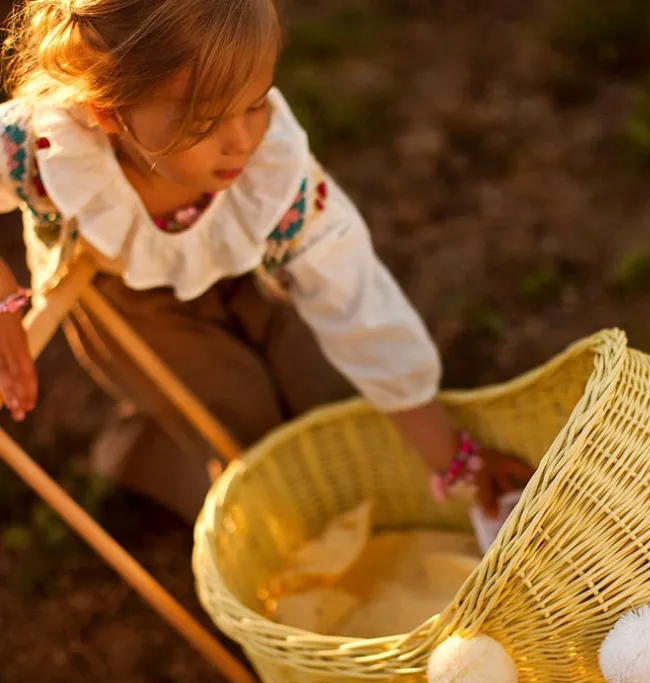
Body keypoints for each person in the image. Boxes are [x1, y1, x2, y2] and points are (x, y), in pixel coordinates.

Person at [0, 0, 532, 526]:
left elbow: (357, 305)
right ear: (108, 112)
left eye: (255, 103)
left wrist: (452, 456)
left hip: (251, 272)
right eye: (206, 122)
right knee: (234, 419)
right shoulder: (45, 144)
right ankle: (163, 469)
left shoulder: (275, 180)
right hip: (130, 302)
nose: (242, 142)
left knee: (318, 389)